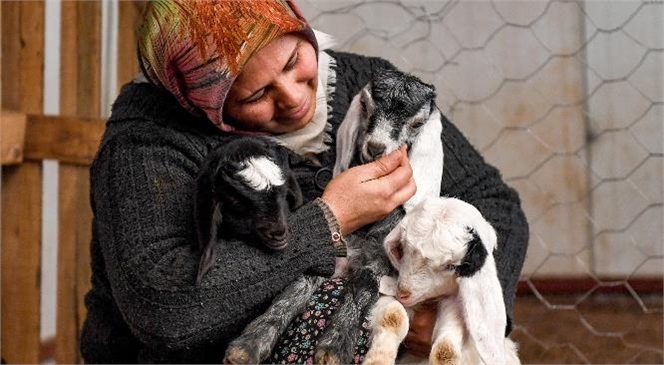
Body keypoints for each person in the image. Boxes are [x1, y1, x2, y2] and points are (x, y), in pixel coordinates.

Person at [80, 0, 529, 363]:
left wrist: (463, 315)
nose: (295, 97)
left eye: (295, 60)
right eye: (256, 94)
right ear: (203, 104)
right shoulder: (146, 147)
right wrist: (330, 219)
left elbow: (494, 204)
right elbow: (165, 309)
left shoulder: (367, 91)